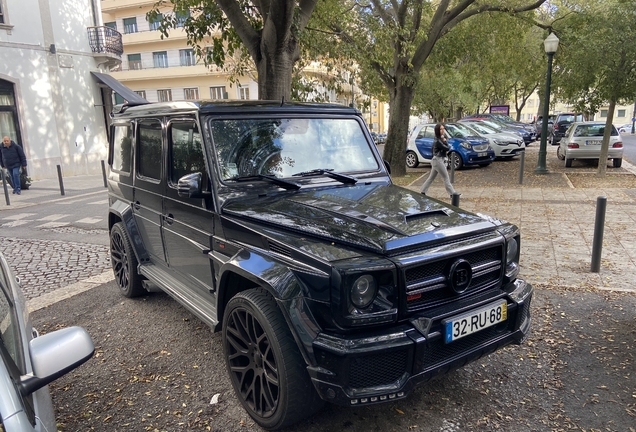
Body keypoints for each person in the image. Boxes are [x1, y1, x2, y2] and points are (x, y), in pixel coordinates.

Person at [420, 123, 458, 198]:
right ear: (437, 130)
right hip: (438, 160)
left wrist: (444, 141)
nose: (443, 130)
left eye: (443, 129)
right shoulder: (438, 141)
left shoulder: (439, 139)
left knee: (431, 178)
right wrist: (445, 141)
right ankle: (452, 194)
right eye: (441, 129)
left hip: (437, 160)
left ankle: (423, 191)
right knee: (446, 177)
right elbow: (447, 148)